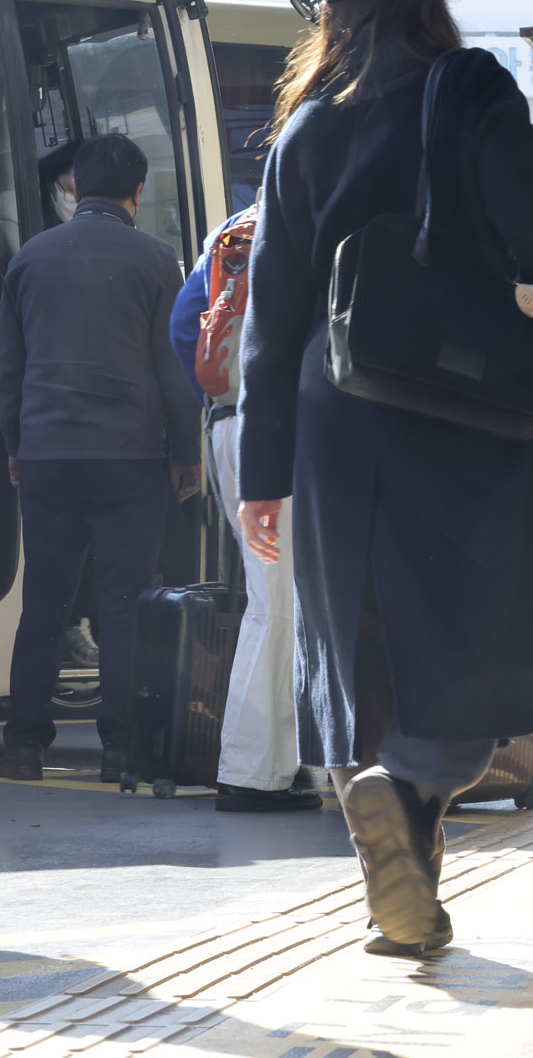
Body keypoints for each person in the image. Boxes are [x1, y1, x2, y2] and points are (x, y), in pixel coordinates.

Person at [236, 0, 533, 956]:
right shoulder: (467, 88)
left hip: (336, 418)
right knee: (486, 635)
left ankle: (404, 893)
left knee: (367, 653)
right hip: (470, 409)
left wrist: (261, 471)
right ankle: (408, 782)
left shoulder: (303, 127)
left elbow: (272, 311)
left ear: (330, 10)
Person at [0, 133, 202, 785]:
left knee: (45, 601)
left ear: (74, 188)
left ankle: (24, 746)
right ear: (137, 192)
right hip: (129, 459)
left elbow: (9, 371)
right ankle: (120, 750)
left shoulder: (30, 257)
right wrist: (186, 452)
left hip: (49, 456)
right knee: (122, 604)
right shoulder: (156, 258)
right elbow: (172, 369)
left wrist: (16, 445)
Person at [169, 208, 320, 813]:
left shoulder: (236, 226)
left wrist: (225, 400)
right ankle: (254, 770)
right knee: (283, 605)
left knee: (275, 600)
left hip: (229, 428)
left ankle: (285, 761)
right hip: (289, 433)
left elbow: (186, 329)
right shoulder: (322, 221)